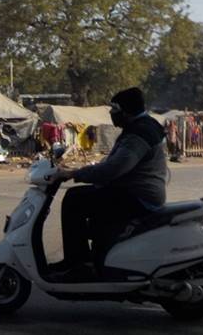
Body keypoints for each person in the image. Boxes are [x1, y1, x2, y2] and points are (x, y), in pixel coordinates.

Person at [53, 87, 168, 278]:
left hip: (138, 196)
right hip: (135, 192)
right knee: (85, 199)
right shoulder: (142, 126)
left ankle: (79, 263)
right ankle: (92, 259)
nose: (112, 115)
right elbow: (114, 163)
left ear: (126, 111)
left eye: (114, 111)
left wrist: (74, 173)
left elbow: (114, 169)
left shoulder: (138, 134)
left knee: (74, 200)